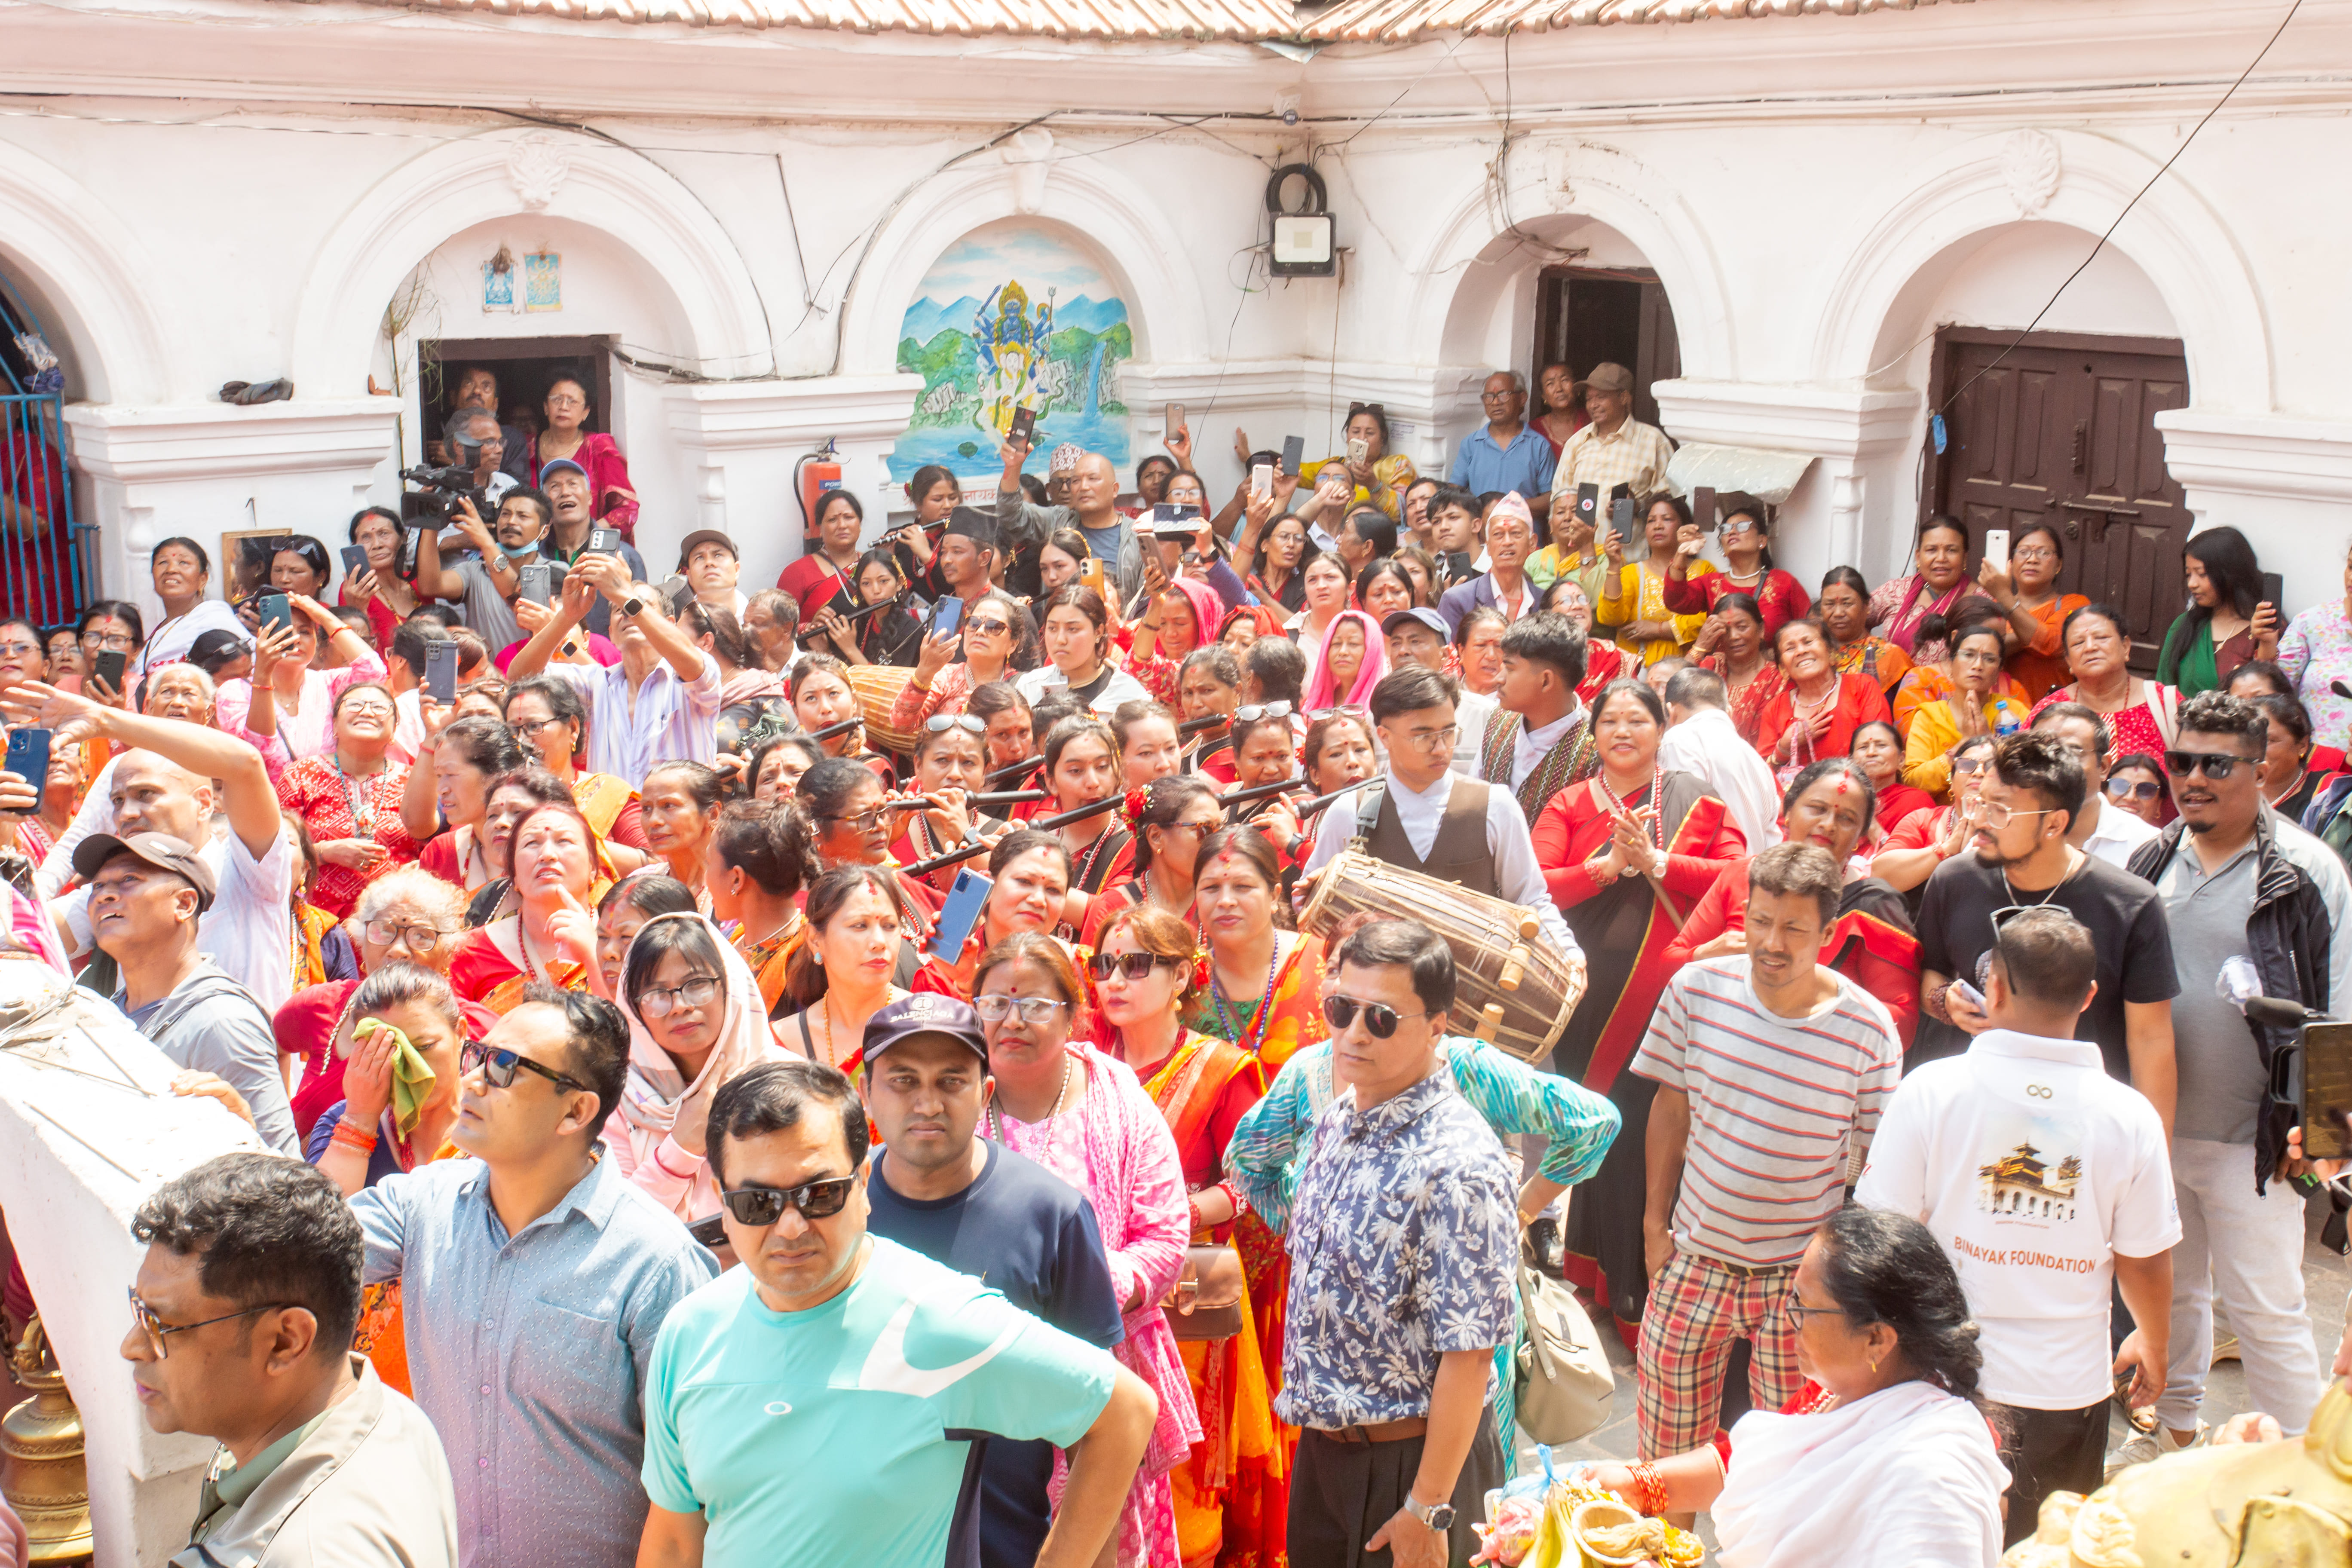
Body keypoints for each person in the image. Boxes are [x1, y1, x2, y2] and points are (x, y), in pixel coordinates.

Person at [637, 1057, 1157, 1568]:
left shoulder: (936, 1319)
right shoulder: (690, 1333)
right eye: (758, 1203)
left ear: (863, 1184)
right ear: (723, 1206)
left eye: (819, 1194)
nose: (791, 1226)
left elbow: (1125, 1412)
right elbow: (676, 1543)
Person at [348, 983, 714, 1566]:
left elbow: (696, 1483)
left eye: (506, 1068)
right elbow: (303, 1250)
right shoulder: (423, 1206)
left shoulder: (655, 1262)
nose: (472, 1082)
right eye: (477, 1055)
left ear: (577, 1110)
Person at [1855, 905, 2177, 1545]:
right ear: (2089, 996)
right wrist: (2155, 1342)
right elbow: (2144, 1259)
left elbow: (1882, 1233)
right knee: (2049, 1547)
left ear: (1993, 987)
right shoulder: (2129, 1116)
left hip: (1939, 1378)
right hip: (2065, 1385)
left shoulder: (1932, 1089)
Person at [2113, 689, 2350, 1468]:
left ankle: (2312, 1474)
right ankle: (2177, 1453)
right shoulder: (2149, 860)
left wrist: (2324, 1133)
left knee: (2267, 1311)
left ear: (2262, 770)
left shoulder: (2309, 871)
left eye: (2217, 764)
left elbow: (2339, 1010)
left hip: (2257, 1141)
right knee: (2172, 1300)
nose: (2194, 779)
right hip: (2155, 1130)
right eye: (2182, 761)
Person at [1632, 842, 1902, 1463]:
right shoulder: (1696, 990)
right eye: (1759, 921)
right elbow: (1671, 1110)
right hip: (1694, 1259)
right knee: (1665, 1459)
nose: (1771, 943)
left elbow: (1872, 1160)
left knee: (1796, 1456)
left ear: (1829, 933)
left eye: (1793, 929)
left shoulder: (1867, 1030)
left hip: (1801, 1279)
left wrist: (1839, 1272)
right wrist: (1654, 1228)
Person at [857, 994, 1130, 1568]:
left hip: (1005, 1548)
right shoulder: (835, 1217)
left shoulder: (1051, 1215)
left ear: (984, 1094)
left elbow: (1100, 1424)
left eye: (950, 1082)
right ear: (866, 1093)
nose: (927, 1102)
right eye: (903, 1081)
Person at [1274, 918, 1516, 1565]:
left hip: (1412, 1469)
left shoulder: (1460, 1163)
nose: (1353, 1033)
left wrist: (1429, 1508)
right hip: (1327, 1455)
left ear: (1438, 1026)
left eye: (1381, 1019)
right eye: (1341, 1009)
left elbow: (1470, 1354)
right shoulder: (1337, 1120)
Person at [1580, 1209, 2009, 1568]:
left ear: (1877, 1338)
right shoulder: (1846, 1392)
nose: (1789, 1319)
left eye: (1804, 1306)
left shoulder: (1934, 1481)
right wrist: (1639, 1484)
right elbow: (1752, 1462)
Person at [126, 1153, 460, 1568]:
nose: (131, 1347)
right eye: (137, 1310)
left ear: (286, 1342)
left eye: (161, 1324)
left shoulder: (316, 1553)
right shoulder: (386, 1411)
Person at [1531, 678, 1744, 1327]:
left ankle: (1641, 1285)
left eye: (1638, 720)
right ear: (1593, 734)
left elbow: (1739, 873)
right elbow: (1536, 886)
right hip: (1585, 1003)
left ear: (1662, 729)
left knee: (1647, 1135)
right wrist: (1607, 869)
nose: (1623, 731)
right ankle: (1598, 1272)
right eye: (1611, 721)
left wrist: (1657, 860)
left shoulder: (1694, 799)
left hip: (1667, 996)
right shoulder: (1568, 802)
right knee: (1600, 1129)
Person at [1088, 905, 1286, 1565]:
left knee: (1179, 1474)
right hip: (1093, 1294)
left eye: (1136, 965)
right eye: (1104, 965)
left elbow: (1252, 1186)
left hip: (1185, 1306)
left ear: (1182, 977)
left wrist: (1166, 1215)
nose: (1115, 980)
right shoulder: (1081, 1067)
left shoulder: (1223, 1070)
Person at [1914, 733, 2180, 1120]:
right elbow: (1931, 971)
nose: (1981, 822)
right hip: (1974, 1111)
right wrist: (1945, 1003)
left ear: (2054, 824)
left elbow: (2151, 1039)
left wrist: (2156, 1159)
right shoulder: (1953, 880)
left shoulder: (2129, 904)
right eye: (1978, 804)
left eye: (2001, 812)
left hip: (2080, 1121)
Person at [14, 680, 300, 1014]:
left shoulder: (248, 870)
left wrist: (107, 721)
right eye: (118, 801)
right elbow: (18, 930)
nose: (127, 814)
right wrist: (6, 834)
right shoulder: (116, 889)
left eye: (146, 794)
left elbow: (246, 764)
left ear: (205, 804)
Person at [1304, 665, 1581, 959]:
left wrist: (1568, 953)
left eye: (1449, 733)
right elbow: (1312, 906)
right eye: (1423, 736)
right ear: (1384, 737)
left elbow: (1531, 898)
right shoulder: (1349, 812)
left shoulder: (1495, 806)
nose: (1440, 748)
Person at [1664, 756, 1921, 1043]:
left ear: (1861, 836)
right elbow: (1668, 965)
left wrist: (1812, 1008)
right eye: (1817, 809)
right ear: (1788, 812)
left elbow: (1902, 1021)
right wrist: (1706, 955)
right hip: (1719, 1046)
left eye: (1847, 818)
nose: (1828, 824)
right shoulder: (1741, 876)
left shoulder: (1873, 905)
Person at [81, 830, 299, 1154]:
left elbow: (288, 1176)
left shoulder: (222, 1023)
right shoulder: (103, 1013)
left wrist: (244, 1132)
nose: (104, 896)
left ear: (184, 904)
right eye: (98, 886)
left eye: (128, 879)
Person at [608, 911, 789, 1222]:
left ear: (729, 986)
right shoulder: (622, 1102)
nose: (680, 1006)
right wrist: (680, 1147)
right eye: (656, 994)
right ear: (634, 1008)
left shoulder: (787, 1082)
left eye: (696, 984)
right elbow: (617, 1225)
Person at [278, 868, 475, 1142]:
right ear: (361, 939)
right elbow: (268, 1047)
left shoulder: (473, 1028)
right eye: (384, 931)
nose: (398, 949)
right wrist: (273, 1122)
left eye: (422, 936)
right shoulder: (322, 1005)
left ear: (448, 952)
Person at [509, 560, 723, 781]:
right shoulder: (597, 683)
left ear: (669, 623)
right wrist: (568, 617)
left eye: (640, 605)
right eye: (618, 609)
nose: (627, 613)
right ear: (611, 633)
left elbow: (694, 666)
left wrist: (622, 593)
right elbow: (520, 679)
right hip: (610, 816)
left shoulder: (693, 674)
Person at [269, 683, 418, 920]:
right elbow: (273, 853)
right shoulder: (300, 775)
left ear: (394, 731)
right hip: (317, 922)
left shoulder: (413, 780)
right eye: (355, 705)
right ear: (335, 725)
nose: (367, 712)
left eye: (380, 707)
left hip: (396, 921)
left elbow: (434, 851)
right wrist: (325, 852)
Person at [447, 802, 602, 1012]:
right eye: (532, 844)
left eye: (563, 841)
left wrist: (594, 956)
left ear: (593, 869)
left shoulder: (626, 944)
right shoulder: (468, 952)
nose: (548, 855)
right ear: (515, 876)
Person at [218, 594, 390, 770]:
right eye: (285, 631)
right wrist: (263, 672)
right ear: (263, 637)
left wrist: (324, 617)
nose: (296, 639)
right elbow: (261, 746)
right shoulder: (234, 692)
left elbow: (373, 672)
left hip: (323, 796)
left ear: (317, 642)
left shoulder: (328, 684)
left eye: (305, 632)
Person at [774, 865, 914, 1071]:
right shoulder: (781, 1045)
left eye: (889, 926)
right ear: (815, 940)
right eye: (860, 926)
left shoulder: (925, 1023)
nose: (879, 942)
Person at [2029, 602, 2184, 769]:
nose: (2090, 648)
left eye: (2102, 638)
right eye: (2078, 643)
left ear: (2125, 647)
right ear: (2068, 661)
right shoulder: (2049, 710)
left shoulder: (2165, 702)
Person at [1475, 610, 1595, 824]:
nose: (1499, 678)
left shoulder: (1596, 748)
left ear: (1546, 681)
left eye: (1510, 668)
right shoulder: (1497, 720)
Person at [502, 675, 644, 847]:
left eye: (533, 727)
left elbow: (654, 863)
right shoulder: (499, 800)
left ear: (573, 728)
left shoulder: (609, 792)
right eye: (513, 731)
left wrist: (573, 844)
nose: (522, 740)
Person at [1079, 775, 1221, 947]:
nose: (1217, 842)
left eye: (1220, 830)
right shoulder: (1112, 908)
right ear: (1156, 837)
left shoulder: (1223, 901)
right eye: (1204, 830)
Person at [1000, 438, 1146, 603]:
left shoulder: (1138, 536)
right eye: (1076, 481)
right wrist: (1012, 468)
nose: (1083, 487)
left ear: (1115, 490)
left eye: (1093, 479)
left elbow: (1145, 603)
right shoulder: (1059, 521)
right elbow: (1010, 514)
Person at [705, 800, 815, 1014]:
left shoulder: (809, 964)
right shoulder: (723, 940)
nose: (706, 877)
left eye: (709, 863)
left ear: (737, 878)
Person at [1660, 664, 1782, 852]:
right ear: (1730, 712)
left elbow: (1686, 823)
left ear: (1672, 711)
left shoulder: (1678, 740)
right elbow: (1773, 838)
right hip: (1753, 876)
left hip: (1712, 876)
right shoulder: (1756, 759)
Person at [1900, 623, 2033, 797]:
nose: (1978, 665)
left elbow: (2032, 772)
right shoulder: (1929, 716)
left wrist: (1988, 742)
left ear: (1999, 671)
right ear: (1951, 665)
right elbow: (1913, 781)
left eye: (1989, 659)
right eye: (1969, 655)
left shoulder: (2014, 712)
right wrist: (1965, 743)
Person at [1753, 618, 1895, 779]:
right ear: (1783, 669)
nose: (1801, 651)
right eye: (1790, 648)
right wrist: (1784, 748)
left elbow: (1880, 753)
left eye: (1808, 642)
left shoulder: (1862, 687)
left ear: (1831, 653)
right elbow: (1760, 777)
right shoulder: (1775, 709)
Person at [404, 714, 527, 893]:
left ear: (496, 774)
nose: (442, 789)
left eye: (451, 775)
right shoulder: (441, 853)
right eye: (439, 776)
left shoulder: (544, 847)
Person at [2031, 702, 2160, 869]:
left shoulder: (2147, 845)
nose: (2055, 764)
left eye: (2072, 752)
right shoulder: (2006, 833)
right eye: (2042, 752)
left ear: (2104, 767)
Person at [2157, 526, 2278, 697]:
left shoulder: (2266, 626)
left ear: (2231, 574)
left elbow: (2272, 700)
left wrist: (2267, 644)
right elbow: (2163, 692)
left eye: (2202, 574)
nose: (2192, 584)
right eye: (2188, 575)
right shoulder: (2185, 626)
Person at [1663, 499, 1810, 638]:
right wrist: (1681, 552)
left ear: (1762, 541)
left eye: (1742, 526)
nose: (1732, 532)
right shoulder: (1711, 583)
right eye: (1726, 529)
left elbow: (1809, 628)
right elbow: (1676, 601)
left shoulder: (1783, 582)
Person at [1976, 521, 2087, 702]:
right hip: (1996, 712)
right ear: (2011, 562)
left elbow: (2051, 642)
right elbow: (1979, 650)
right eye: (2024, 552)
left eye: (2044, 553)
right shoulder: (1990, 607)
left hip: (2050, 713)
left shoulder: (2074, 603)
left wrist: (2005, 597)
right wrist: (2029, 636)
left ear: (2058, 565)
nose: (2032, 559)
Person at [1596, 494, 1711, 667]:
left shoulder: (1705, 571)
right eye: (1651, 521)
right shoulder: (1631, 572)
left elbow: (1708, 620)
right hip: (1638, 674)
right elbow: (1611, 618)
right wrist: (1613, 565)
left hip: (1691, 671)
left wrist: (1658, 630)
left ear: (1685, 527)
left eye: (1667, 519)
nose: (1657, 526)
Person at [1547, 362, 1672, 521]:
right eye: (1589, 399)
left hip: (1628, 546)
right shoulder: (1577, 442)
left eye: (1601, 397)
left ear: (1624, 398)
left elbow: (1671, 503)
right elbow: (1558, 501)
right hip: (1581, 546)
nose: (1593, 405)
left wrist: (1638, 507)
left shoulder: (1653, 441)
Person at [2275, 534, 2352, 770]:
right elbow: (2276, 691)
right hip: (2314, 766)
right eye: (2351, 566)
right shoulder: (2313, 622)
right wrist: (2267, 645)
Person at [527, 375, 638, 537]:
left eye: (572, 401)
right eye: (557, 399)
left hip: (587, 549)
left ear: (585, 412)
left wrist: (589, 534)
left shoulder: (599, 447)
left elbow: (628, 509)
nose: (564, 406)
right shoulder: (527, 447)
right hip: (537, 549)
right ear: (546, 407)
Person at [1020, 585, 1152, 716]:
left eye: (1073, 629)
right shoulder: (1028, 688)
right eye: (1053, 628)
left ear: (1099, 632)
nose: (1060, 640)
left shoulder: (1130, 696)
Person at [1869, 516, 1975, 665]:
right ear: (1918, 557)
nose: (1941, 558)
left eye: (1951, 550)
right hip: (1887, 685)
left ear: (1964, 558)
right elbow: (1854, 616)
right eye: (1932, 550)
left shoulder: (1978, 602)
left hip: (1943, 687)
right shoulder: (1896, 590)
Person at [1449, 370, 1558, 514]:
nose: (1495, 402)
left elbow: (1550, 499)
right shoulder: (1471, 444)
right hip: (1481, 532)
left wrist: (1510, 506)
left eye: (1503, 395)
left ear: (1522, 398)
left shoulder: (1539, 445)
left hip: (1522, 533)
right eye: (1489, 397)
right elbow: (1454, 490)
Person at [138, 536, 247, 677]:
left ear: (203, 579)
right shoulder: (159, 632)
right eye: (163, 562)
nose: (171, 569)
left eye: (183, 562)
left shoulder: (215, 620)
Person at [1436, 490, 1539, 637]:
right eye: (1498, 534)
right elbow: (1447, 658)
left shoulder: (1544, 601)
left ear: (1532, 543)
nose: (1507, 542)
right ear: (1488, 545)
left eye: (1516, 533)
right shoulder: (1456, 600)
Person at [778, 488, 870, 622]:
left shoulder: (873, 564)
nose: (842, 525)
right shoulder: (798, 573)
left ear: (860, 524)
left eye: (849, 517)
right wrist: (810, 628)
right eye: (833, 520)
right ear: (820, 529)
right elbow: (780, 628)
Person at [1819, 565, 1913, 696]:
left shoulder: (1891, 657)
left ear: (1867, 606)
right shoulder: (1812, 653)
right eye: (1830, 604)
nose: (1838, 613)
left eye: (1847, 603)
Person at [639, 760, 726, 897]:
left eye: (669, 805)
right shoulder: (639, 886)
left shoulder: (737, 887)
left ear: (713, 815)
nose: (654, 821)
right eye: (647, 809)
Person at [1850, 719, 1934, 834]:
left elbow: (1911, 851)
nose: (1871, 753)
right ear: (1851, 761)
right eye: (1863, 747)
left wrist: (1871, 826)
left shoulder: (1916, 802)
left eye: (1881, 745)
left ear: (1901, 760)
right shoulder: (1843, 802)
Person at [1302, 606, 1385, 712]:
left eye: (1353, 644)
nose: (1343, 652)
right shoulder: (1315, 704)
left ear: (1372, 651)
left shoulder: (1383, 706)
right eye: (1337, 643)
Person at [2104, 751, 2168, 828]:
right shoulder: (2087, 837)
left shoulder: (2165, 840)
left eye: (2145, 790)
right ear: (2104, 794)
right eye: (2120, 786)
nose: (2130, 798)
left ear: (2159, 804)